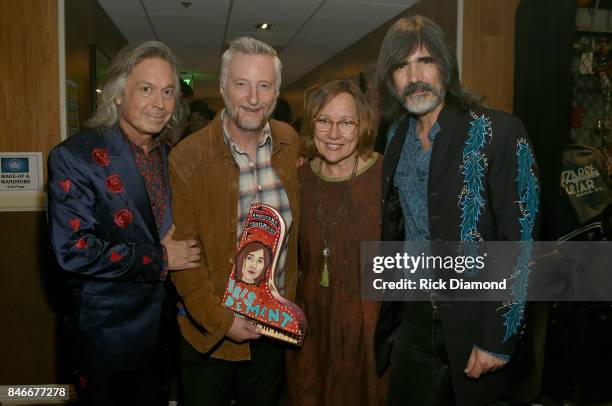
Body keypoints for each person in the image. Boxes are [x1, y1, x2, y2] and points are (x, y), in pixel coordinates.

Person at [374, 16, 540, 405]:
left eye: (425, 60)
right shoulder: (395, 136)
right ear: (390, 79)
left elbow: (522, 244)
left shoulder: (499, 132)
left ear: (445, 67)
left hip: (477, 320)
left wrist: (497, 340)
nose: (414, 75)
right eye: (401, 65)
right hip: (413, 321)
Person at [47, 41, 201, 405]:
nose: (159, 103)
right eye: (146, 89)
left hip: (162, 335)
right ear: (118, 95)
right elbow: (73, 251)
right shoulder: (76, 157)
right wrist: (161, 260)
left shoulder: (170, 157)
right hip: (105, 338)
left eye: (167, 92)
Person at [168, 36, 300, 405]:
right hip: (211, 334)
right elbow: (184, 259)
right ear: (223, 87)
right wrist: (223, 321)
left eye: (264, 85)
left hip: (273, 328)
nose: (253, 98)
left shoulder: (290, 144)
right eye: (242, 84)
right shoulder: (187, 157)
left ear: (276, 91)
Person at [286, 79, 386, 405]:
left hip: (368, 323)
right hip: (310, 320)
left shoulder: (385, 175)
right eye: (324, 121)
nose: (333, 133)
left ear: (363, 126)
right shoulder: (298, 177)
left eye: (346, 122)